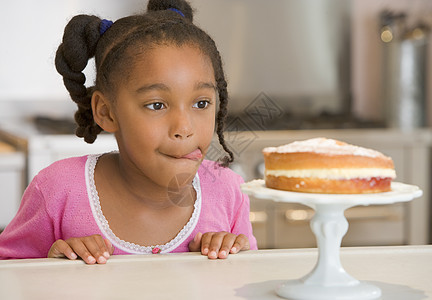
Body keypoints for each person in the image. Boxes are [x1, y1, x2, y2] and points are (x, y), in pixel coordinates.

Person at [0, 0, 257, 264]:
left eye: (201, 103)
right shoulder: (56, 190)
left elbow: (246, 278)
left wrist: (235, 255)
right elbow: (10, 276)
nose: (184, 128)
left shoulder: (229, 190)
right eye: (156, 105)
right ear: (106, 112)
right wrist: (51, 263)